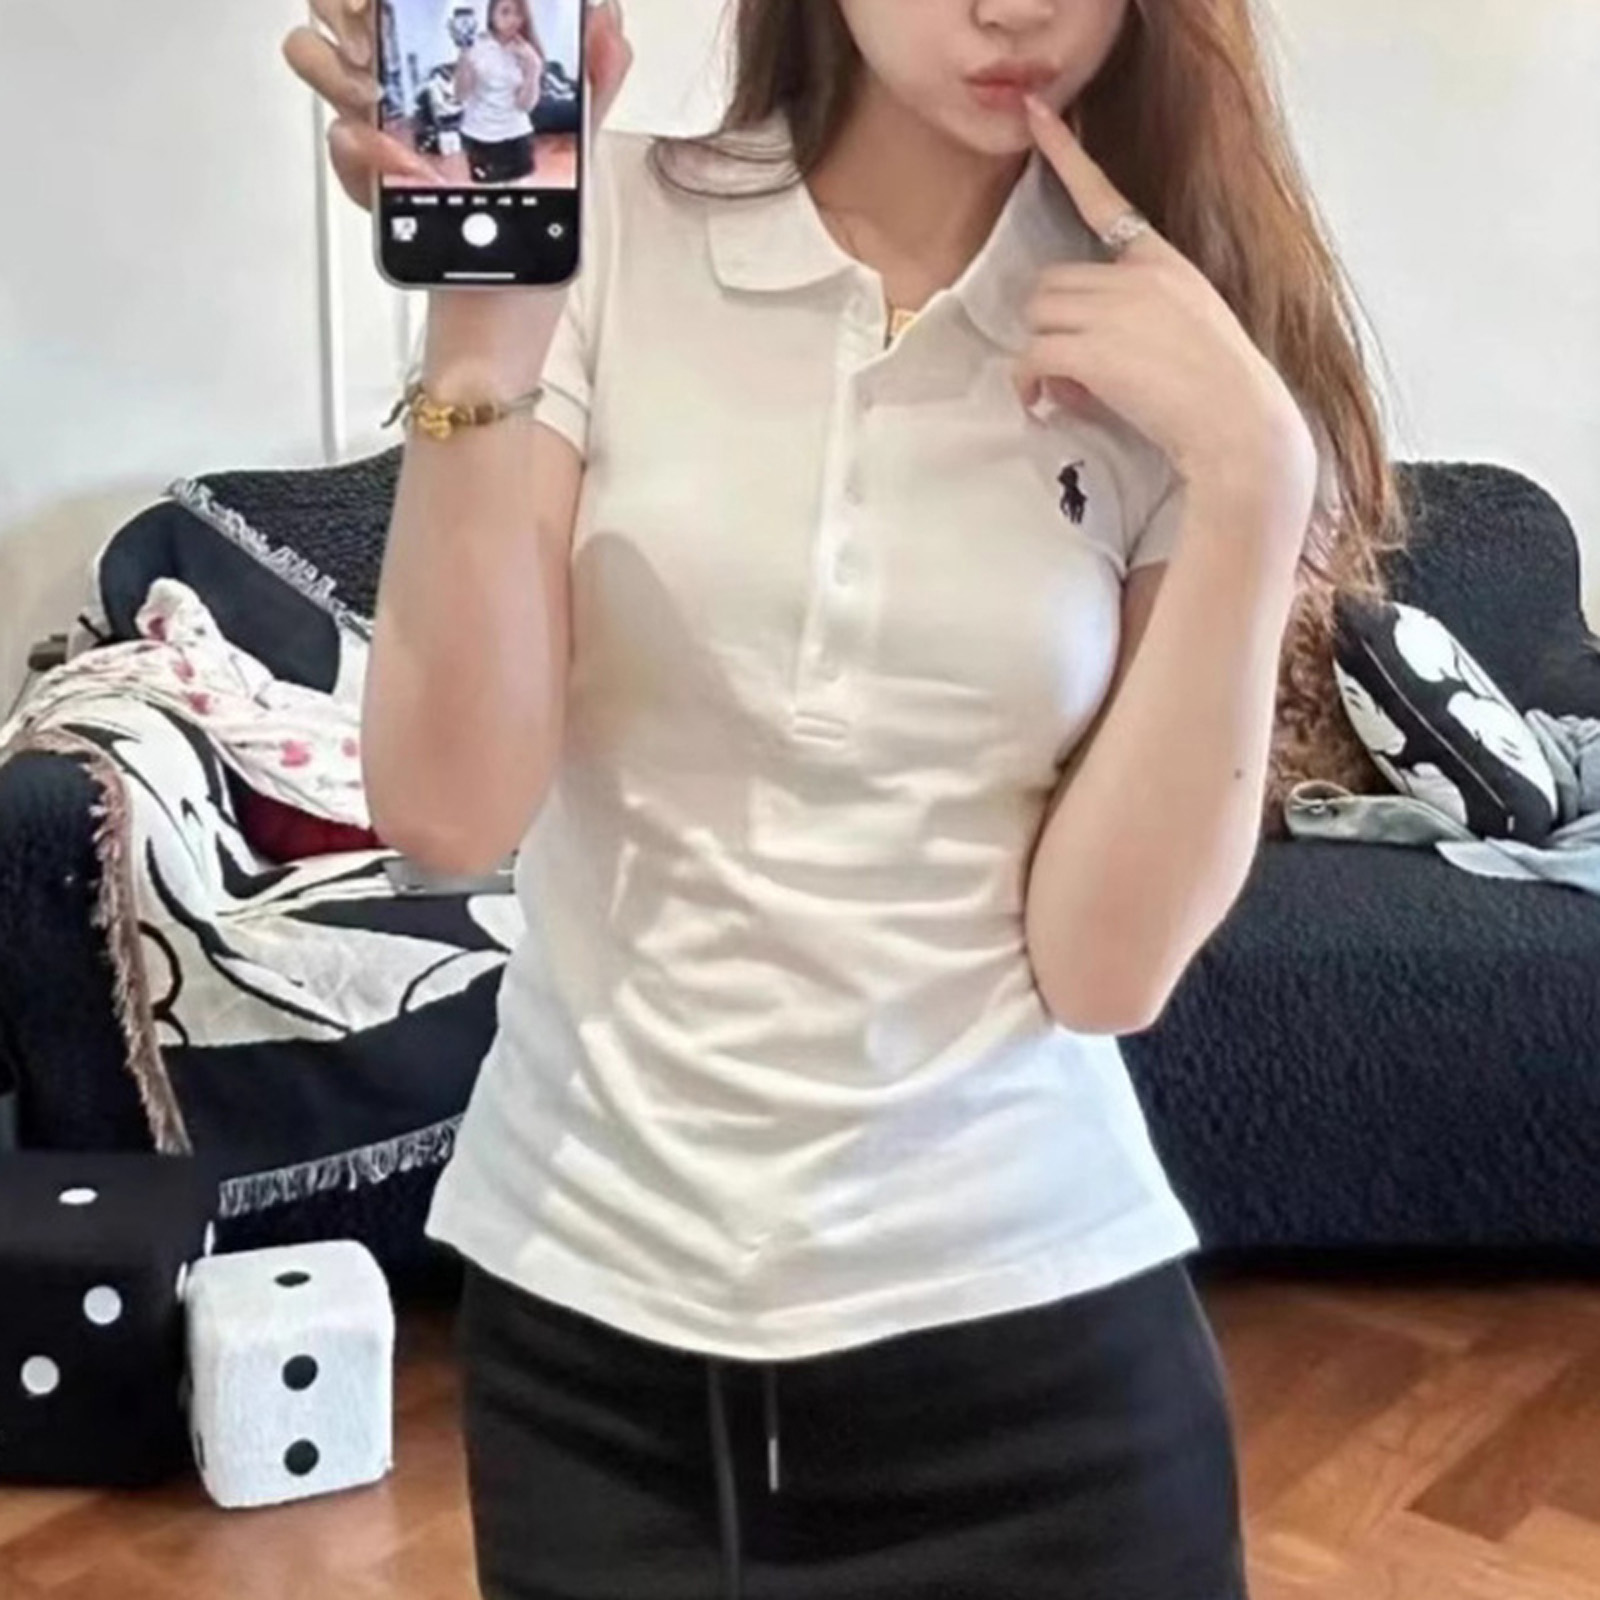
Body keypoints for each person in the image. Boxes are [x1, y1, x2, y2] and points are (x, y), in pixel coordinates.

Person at [284, 0, 1401, 1595]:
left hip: (1042, 1367)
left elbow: (1103, 972)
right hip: (600, 1358)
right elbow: (451, 811)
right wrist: (482, 344)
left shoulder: (1168, 348)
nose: (1015, 8)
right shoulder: (613, 240)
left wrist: (1255, 492)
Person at [454, 0, 544, 184]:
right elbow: (461, 94)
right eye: (505, 12)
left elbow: (525, 106)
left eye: (518, 14)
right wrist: (464, 54)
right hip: (480, 136)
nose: (512, 20)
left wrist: (534, 69)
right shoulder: (476, 47)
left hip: (517, 135)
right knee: (487, 196)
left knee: (522, 195)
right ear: (491, 14)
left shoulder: (527, 50)